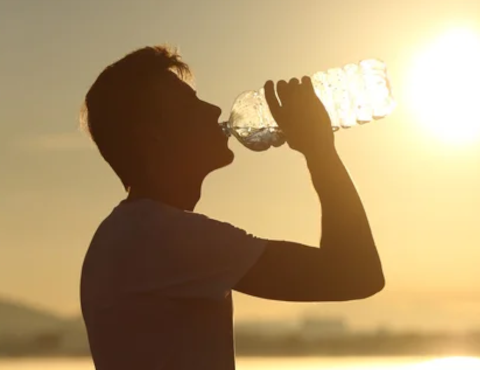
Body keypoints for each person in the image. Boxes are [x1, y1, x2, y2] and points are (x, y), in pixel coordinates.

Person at [78, 45, 385, 370]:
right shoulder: (160, 237)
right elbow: (355, 274)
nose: (213, 109)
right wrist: (319, 150)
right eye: (189, 105)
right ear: (155, 137)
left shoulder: (129, 233)